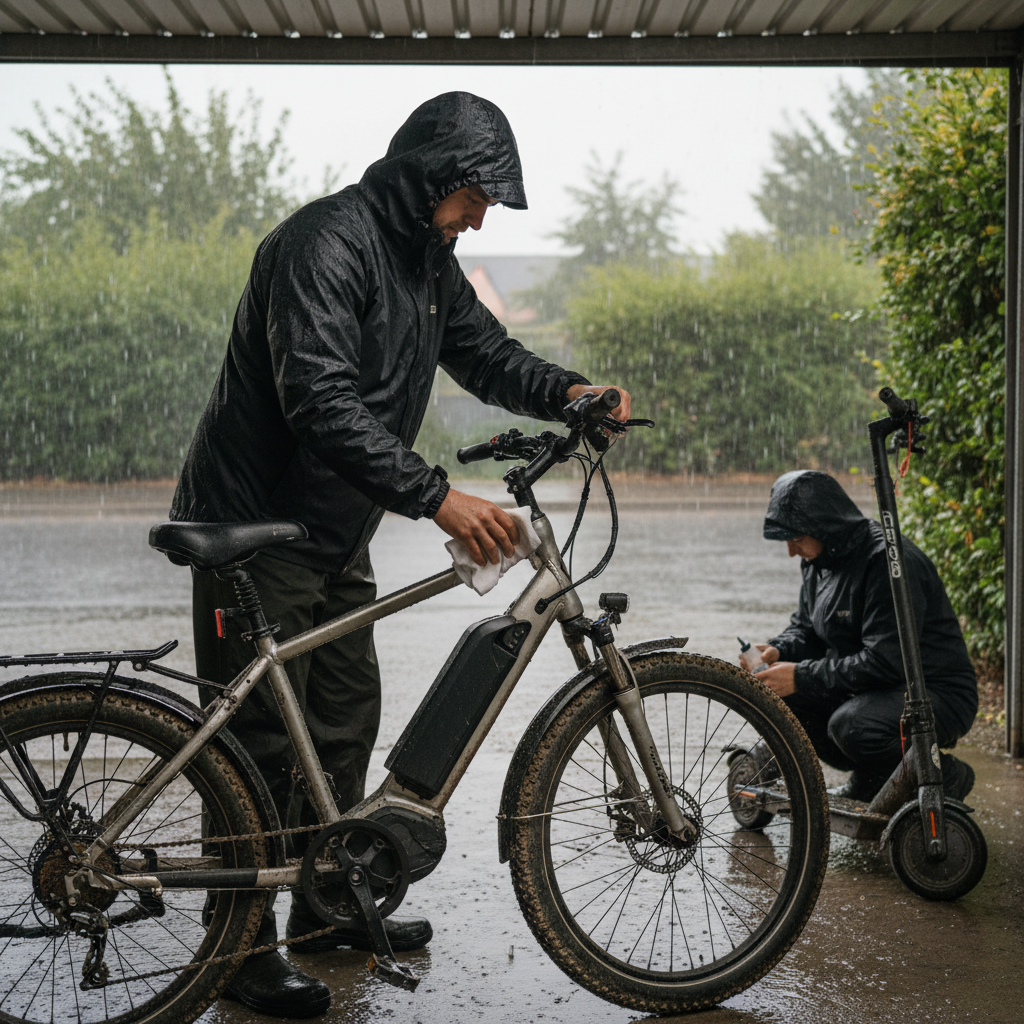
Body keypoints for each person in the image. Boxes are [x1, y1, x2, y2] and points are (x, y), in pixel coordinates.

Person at [169, 92, 630, 1018]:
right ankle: (239, 951)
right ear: (430, 178)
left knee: (341, 719)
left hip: (334, 531)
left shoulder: (427, 258)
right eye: (474, 195)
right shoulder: (323, 244)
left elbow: (485, 354)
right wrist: (437, 498)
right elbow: (319, 401)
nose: (481, 214)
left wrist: (568, 390)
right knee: (259, 746)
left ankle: (327, 899)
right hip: (256, 527)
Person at [745, 470, 977, 806]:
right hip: (875, 688)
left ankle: (943, 773)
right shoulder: (818, 558)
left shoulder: (887, 563)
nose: (791, 552)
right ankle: (874, 777)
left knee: (852, 726)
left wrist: (800, 675)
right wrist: (778, 649)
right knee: (782, 695)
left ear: (823, 526)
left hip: (935, 691)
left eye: (795, 540)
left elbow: (884, 662)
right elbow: (806, 628)